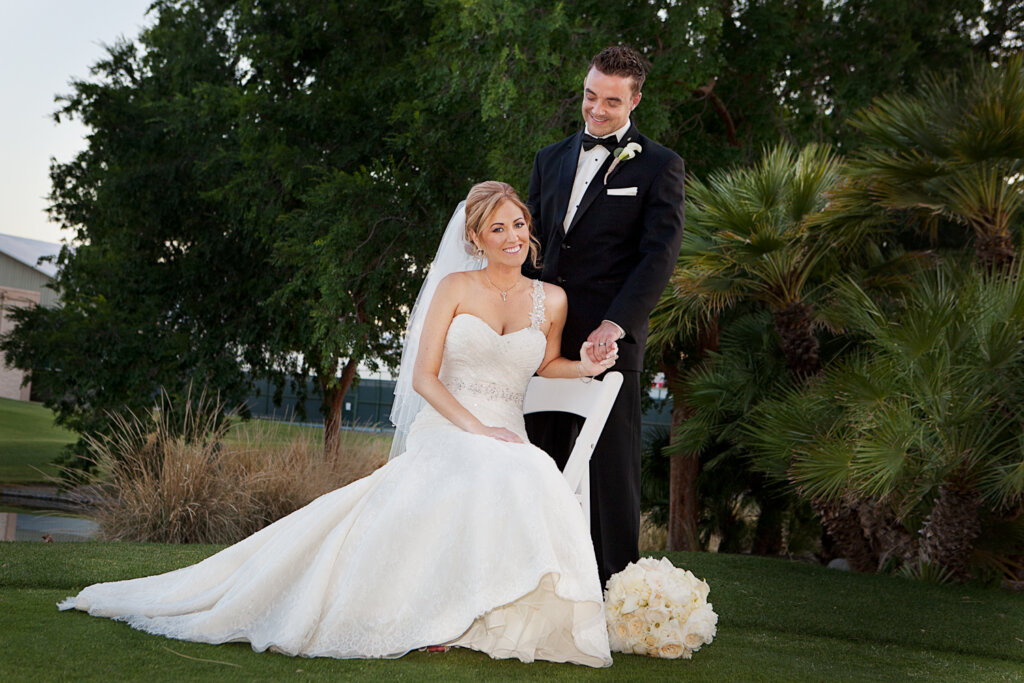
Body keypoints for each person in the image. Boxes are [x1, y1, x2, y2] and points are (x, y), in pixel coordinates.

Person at [58, 181, 615, 668]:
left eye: (518, 224)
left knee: (525, 470)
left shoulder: (553, 299)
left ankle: (490, 613)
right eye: (498, 228)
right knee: (482, 465)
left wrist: (586, 365)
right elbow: (425, 379)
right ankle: (439, 614)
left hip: (507, 435)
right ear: (476, 238)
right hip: (451, 425)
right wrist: (474, 428)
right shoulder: (455, 289)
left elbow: (545, 365)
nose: (513, 236)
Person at [525, 46, 686, 586]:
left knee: (610, 474)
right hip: (540, 342)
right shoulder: (548, 158)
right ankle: (538, 581)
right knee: (539, 465)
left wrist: (613, 325)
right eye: (591, 95)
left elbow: (657, 256)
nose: (596, 109)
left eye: (611, 102)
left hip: (610, 343)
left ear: (635, 100)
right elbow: (532, 248)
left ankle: (613, 590)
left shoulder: (661, 165)